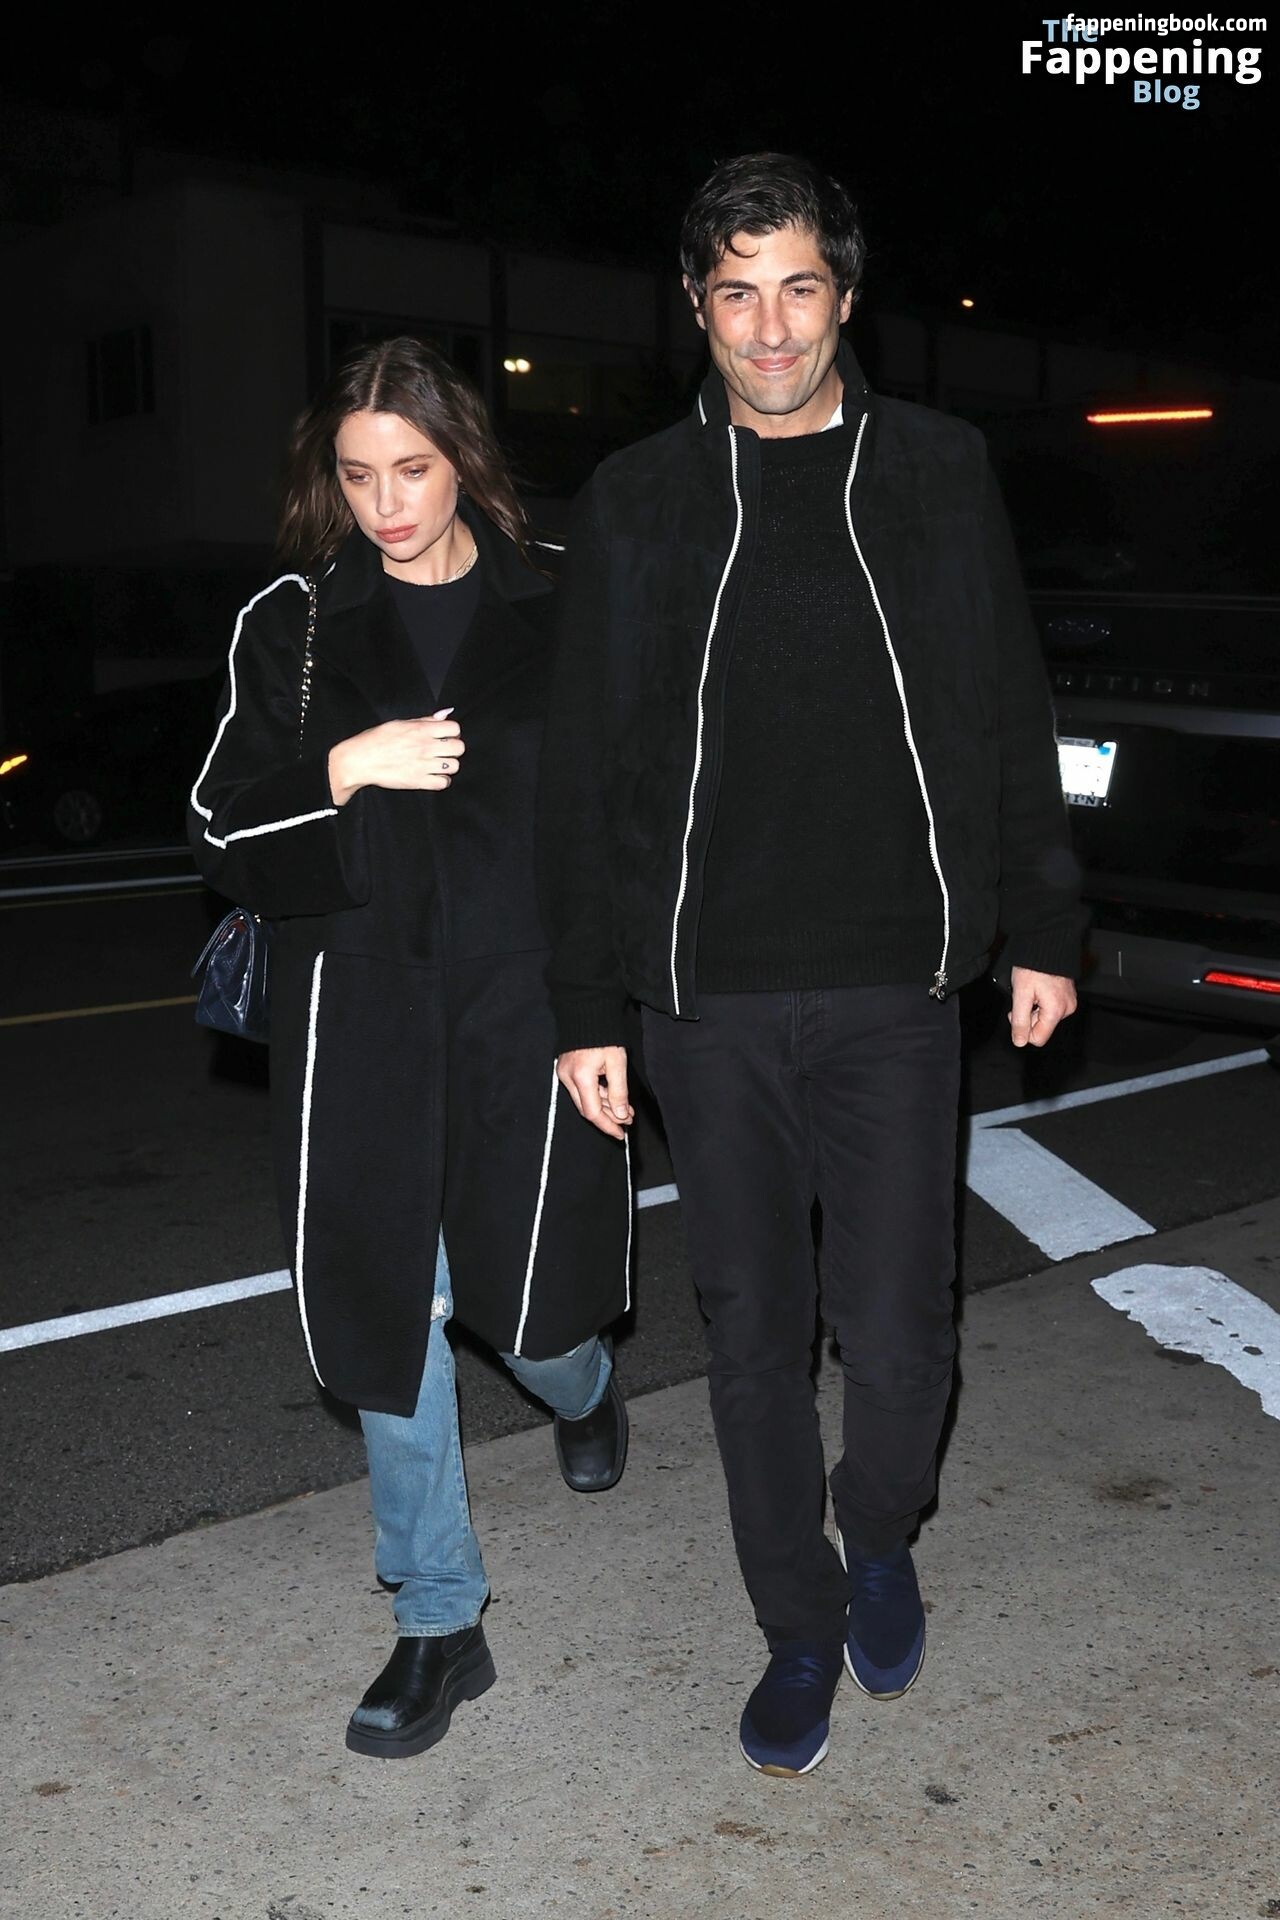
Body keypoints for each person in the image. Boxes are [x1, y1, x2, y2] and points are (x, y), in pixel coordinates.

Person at [538, 154, 1080, 1779]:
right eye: (736, 293)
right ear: (695, 308)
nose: (769, 329)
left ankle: (882, 1533)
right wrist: (587, 1006)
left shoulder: (938, 469)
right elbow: (584, 771)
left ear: (844, 296)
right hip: (702, 1001)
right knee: (753, 1339)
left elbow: (1008, 701)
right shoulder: (636, 497)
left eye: (797, 289)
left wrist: (1044, 925)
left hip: (892, 982)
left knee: (903, 1336)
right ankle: (795, 1622)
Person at [188, 336, 631, 1762]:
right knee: (392, 1303)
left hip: (521, 1000)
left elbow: (615, 824)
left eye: (413, 469)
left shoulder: (561, 599)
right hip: (357, 1006)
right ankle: (442, 1615)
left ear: (465, 462)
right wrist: (343, 766)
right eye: (357, 473)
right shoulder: (297, 622)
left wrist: (601, 1014)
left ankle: (586, 1383)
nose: (385, 503)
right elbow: (218, 826)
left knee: (529, 1312)